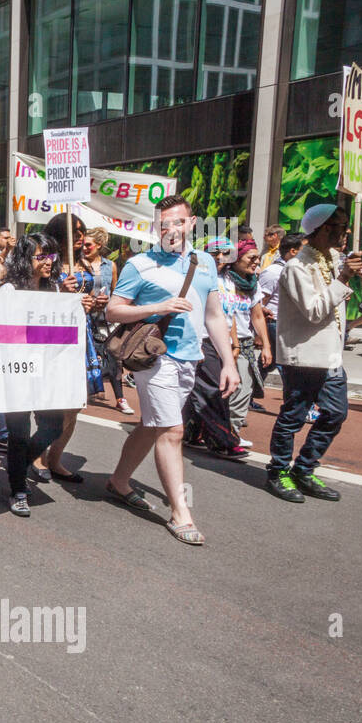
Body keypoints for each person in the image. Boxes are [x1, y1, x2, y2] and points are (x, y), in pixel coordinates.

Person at [106, 194, 238, 545]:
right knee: (172, 431)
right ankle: (181, 513)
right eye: (164, 224)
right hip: (154, 357)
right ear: (155, 227)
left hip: (190, 358)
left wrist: (228, 362)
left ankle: (118, 481)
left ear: (191, 223)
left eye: (179, 222)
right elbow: (113, 311)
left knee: (152, 426)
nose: (172, 230)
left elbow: (214, 316)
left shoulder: (205, 262)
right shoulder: (139, 264)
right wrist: (159, 306)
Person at [264, 204, 362, 503]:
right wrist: (343, 277)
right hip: (304, 356)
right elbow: (315, 311)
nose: (345, 233)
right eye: (338, 227)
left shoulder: (335, 258)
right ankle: (278, 471)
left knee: (335, 413)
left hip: (331, 356)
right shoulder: (296, 267)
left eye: (345, 226)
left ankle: (303, 469)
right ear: (319, 230)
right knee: (293, 417)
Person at [0, 234, 70, 517]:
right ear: (26, 260)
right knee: (19, 432)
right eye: (41, 256)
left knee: (53, 426)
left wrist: (78, 304)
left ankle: (19, 462)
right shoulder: (9, 290)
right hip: (15, 371)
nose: (48, 262)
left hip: (47, 370)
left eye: (51, 256)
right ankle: (17, 489)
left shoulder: (55, 289)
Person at [32, 212, 90, 484]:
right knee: (51, 403)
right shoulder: (46, 262)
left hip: (83, 338)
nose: (79, 238)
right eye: (74, 232)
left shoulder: (90, 265)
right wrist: (60, 293)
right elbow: (32, 299)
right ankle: (37, 454)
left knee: (75, 403)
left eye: (82, 232)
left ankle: (56, 457)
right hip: (51, 340)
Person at [180, 237, 247, 459]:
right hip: (203, 339)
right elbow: (195, 312)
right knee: (213, 390)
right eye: (215, 252)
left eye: (225, 253)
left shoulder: (229, 281)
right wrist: (196, 343)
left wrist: (233, 343)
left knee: (204, 388)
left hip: (222, 341)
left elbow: (229, 314)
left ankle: (191, 431)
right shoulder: (198, 276)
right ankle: (222, 441)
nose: (220, 257)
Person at [219, 240, 269, 441]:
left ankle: (233, 431)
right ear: (236, 259)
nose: (256, 262)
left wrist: (266, 345)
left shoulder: (253, 284)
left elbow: (257, 316)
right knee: (226, 388)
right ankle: (215, 431)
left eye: (258, 258)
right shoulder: (222, 281)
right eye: (251, 258)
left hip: (245, 343)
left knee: (244, 388)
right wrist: (233, 344)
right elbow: (225, 314)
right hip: (223, 341)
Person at [81, 227, 134, 414]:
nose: (85, 248)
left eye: (88, 245)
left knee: (114, 357)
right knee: (85, 357)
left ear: (99, 245)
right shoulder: (78, 264)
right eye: (83, 244)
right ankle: (83, 392)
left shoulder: (109, 266)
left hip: (106, 320)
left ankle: (120, 398)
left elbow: (115, 291)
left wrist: (108, 302)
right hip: (86, 317)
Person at [257, 234, 301, 383]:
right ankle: (295, 399)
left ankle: (250, 391)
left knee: (270, 362)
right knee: (285, 362)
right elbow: (260, 301)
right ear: (293, 251)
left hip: (288, 323)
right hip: (274, 322)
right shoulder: (273, 272)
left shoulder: (296, 270)